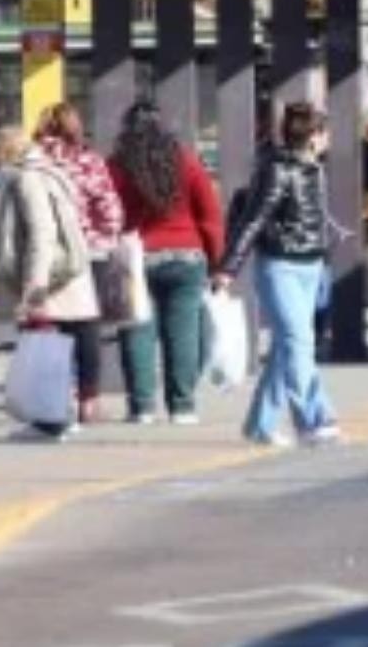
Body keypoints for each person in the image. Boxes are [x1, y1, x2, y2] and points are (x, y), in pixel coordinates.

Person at [218, 102, 340, 447]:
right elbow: (252, 220)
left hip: (311, 266)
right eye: (325, 131)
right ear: (314, 136)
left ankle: (260, 425)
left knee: (288, 348)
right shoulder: (277, 169)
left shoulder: (314, 168)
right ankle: (313, 419)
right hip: (281, 266)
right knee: (299, 343)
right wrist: (228, 268)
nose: (329, 138)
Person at [108, 101, 224, 426]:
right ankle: (182, 406)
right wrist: (217, 262)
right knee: (184, 332)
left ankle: (142, 406)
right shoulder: (186, 161)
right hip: (186, 255)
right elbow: (210, 214)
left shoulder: (118, 166)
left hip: (137, 254)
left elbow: (109, 212)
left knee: (137, 330)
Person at [0, 126, 99, 440]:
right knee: (61, 348)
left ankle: (50, 420)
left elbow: (40, 232)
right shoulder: (51, 173)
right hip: (67, 277)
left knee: (46, 348)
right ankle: (61, 414)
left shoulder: (27, 180)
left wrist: (35, 286)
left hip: (49, 278)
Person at [34, 103, 124, 428]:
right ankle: (88, 401)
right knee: (86, 326)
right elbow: (109, 206)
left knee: (49, 325)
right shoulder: (88, 161)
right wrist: (103, 238)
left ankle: (57, 395)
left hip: (47, 254)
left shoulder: (36, 162)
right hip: (87, 253)